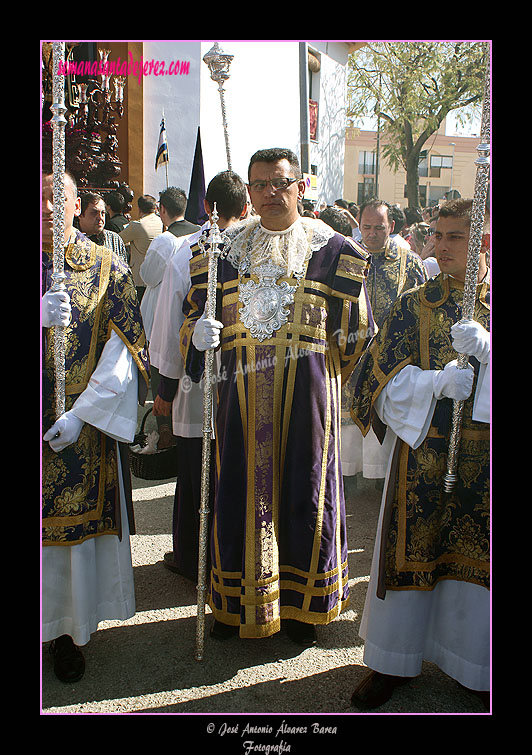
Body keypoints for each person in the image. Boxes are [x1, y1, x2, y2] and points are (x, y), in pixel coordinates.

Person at [180, 147, 375, 645]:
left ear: (300, 187)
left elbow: (354, 336)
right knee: (234, 495)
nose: (270, 193)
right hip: (237, 405)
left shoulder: (334, 252)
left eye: (280, 183)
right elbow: (195, 319)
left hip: (306, 404)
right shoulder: (221, 252)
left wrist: (319, 376)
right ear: (248, 191)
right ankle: (233, 603)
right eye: (260, 184)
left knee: (303, 495)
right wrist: (198, 338)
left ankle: (302, 608)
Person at [349, 197, 490, 710]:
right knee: (409, 559)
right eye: (438, 235)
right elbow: (373, 379)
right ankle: (393, 660)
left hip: (485, 467)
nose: (442, 245)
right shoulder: (414, 303)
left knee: (475, 565)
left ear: (483, 242)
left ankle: (473, 662)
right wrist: (434, 383)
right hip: (423, 460)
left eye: (457, 236)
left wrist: (489, 352)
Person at [42, 171, 150, 683]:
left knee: (68, 542)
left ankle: (66, 629)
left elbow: (125, 350)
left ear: (74, 204)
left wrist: (82, 412)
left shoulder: (106, 267)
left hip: (78, 428)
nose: (45, 208)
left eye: (55, 198)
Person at [149, 171, 251, 580]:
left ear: (206, 206)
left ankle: (193, 558)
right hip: (241, 379)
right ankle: (224, 561)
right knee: (218, 471)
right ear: (245, 208)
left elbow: (166, 325)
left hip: (198, 387)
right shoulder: (207, 250)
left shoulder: (184, 250)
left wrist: (166, 389)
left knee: (196, 475)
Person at [341, 199, 427, 485]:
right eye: (366, 227)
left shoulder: (409, 261)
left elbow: (420, 308)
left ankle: (381, 476)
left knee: (385, 412)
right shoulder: (347, 258)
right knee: (347, 418)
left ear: (391, 226)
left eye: (379, 227)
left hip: (391, 358)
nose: (372, 233)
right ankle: (347, 472)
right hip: (351, 353)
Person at [119, 194, 164, 302]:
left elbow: (118, 239)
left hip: (139, 277)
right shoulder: (161, 222)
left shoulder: (138, 225)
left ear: (139, 208)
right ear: (155, 208)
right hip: (158, 273)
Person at [76, 191, 128, 263]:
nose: (100, 218)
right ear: (80, 214)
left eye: (102, 213)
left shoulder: (114, 239)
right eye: (94, 213)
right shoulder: (71, 239)